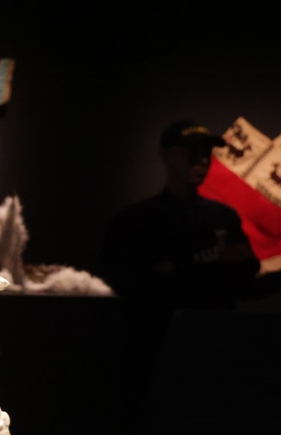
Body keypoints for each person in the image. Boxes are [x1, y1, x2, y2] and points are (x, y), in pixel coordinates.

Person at [101, 119, 258, 312]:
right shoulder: (133, 221)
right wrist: (215, 270)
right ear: (165, 155)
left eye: (207, 152)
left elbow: (244, 279)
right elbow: (133, 287)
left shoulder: (224, 216)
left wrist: (176, 270)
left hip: (215, 328)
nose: (203, 160)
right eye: (192, 152)